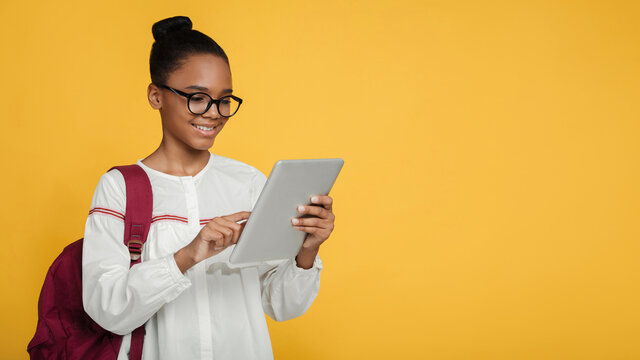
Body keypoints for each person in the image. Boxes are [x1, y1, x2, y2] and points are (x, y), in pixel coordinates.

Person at [81, 15, 335, 360]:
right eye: (198, 98)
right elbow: (107, 310)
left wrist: (307, 251)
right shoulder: (120, 188)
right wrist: (187, 256)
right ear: (156, 96)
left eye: (224, 99)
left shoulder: (248, 182)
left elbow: (280, 305)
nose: (214, 113)